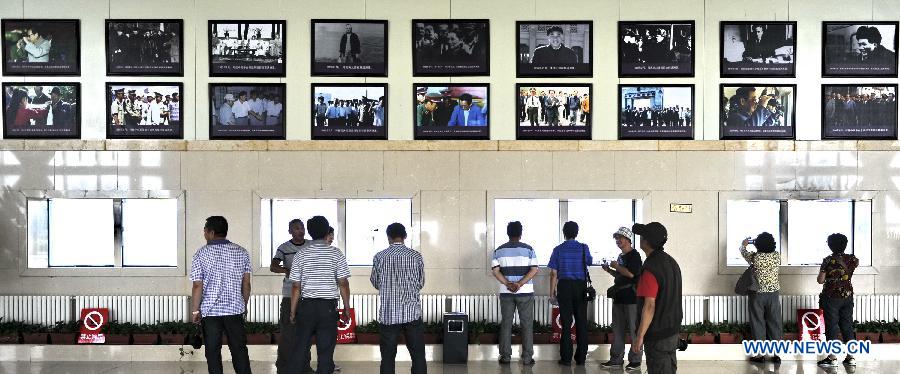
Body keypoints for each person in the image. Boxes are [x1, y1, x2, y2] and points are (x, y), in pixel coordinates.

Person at [189, 216, 252, 374]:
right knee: (239, 350)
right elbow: (246, 284)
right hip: (235, 310)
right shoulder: (242, 252)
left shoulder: (200, 254)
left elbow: (197, 285)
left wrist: (195, 311)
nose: (204, 233)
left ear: (210, 232)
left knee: (213, 352)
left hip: (211, 313)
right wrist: (243, 305)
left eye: (205, 230)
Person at [288, 216, 352, 374]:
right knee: (325, 353)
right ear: (326, 232)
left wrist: (292, 311)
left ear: (309, 232)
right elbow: (343, 283)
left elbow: (296, 286)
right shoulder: (336, 254)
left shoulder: (301, 254)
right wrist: (346, 308)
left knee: (300, 349)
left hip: (306, 307)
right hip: (328, 309)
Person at [370, 223, 426, 374]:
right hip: (412, 313)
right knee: (418, 355)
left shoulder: (379, 257)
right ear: (405, 236)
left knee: (387, 357)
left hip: (389, 314)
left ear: (388, 237)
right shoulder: (416, 256)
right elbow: (420, 283)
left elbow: (376, 282)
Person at [631, 222, 682, 374]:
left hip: (658, 334)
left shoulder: (651, 268)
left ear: (646, 241)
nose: (639, 238)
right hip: (672, 330)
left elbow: (649, 306)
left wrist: (639, 336)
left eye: (641, 236)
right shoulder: (671, 262)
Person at [491, 221, 538, 366]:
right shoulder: (529, 249)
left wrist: (507, 284)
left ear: (508, 233)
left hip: (506, 293)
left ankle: (505, 357)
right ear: (520, 233)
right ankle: (527, 358)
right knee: (527, 324)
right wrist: (520, 284)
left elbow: (495, 271)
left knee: (506, 324)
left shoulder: (499, 250)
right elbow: (534, 269)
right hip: (525, 292)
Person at [270, 219, 314, 374]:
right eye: (296, 228)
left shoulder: (311, 245)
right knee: (288, 333)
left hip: (308, 296)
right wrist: (286, 270)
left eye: (302, 227)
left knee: (306, 333)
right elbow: (273, 266)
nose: (300, 230)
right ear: (290, 231)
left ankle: (305, 367)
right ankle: (283, 368)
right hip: (289, 295)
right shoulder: (284, 248)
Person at [547, 221, 592, 366]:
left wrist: (552, 292)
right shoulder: (584, 248)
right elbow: (589, 262)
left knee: (566, 324)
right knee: (581, 323)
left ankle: (566, 359)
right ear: (576, 232)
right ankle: (581, 358)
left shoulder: (558, 249)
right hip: (580, 287)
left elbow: (554, 273)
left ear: (564, 233)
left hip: (564, 287)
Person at [601, 227, 643, 370]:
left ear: (628, 240)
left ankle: (635, 361)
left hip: (631, 298)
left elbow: (631, 275)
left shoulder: (634, 256)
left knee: (633, 330)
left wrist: (617, 266)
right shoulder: (621, 256)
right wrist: (610, 270)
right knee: (617, 330)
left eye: (621, 238)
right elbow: (621, 276)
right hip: (619, 297)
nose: (618, 241)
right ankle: (616, 359)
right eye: (616, 238)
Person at [817, 233, 860, 368]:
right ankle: (851, 357)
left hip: (831, 297)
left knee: (832, 326)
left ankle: (832, 358)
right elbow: (851, 269)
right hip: (847, 296)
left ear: (830, 246)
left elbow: (820, 280)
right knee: (847, 325)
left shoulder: (828, 260)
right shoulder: (852, 259)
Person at [739, 232, 782, 363]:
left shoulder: (755, 257)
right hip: (773, 294)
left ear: (758, 244)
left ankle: (760, 354)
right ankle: (776, 354)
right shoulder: (776, 256)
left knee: (758, 322)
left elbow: (743, 252)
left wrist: (744, 244)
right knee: (774, 322)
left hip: (757, 294)